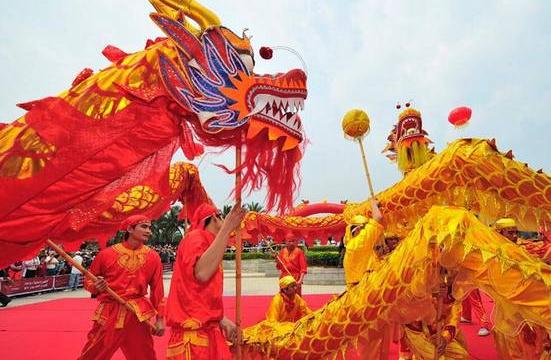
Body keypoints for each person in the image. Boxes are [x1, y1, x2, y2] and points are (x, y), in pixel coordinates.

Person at [78, 215, 165, 360]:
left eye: (149, 227)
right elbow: (88, 281)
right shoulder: (106, 254)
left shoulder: (153, 257)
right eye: (144, 227)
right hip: (110, 311)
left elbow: (158, 290)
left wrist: (160, 318)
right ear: (130, 229)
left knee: (145, 354)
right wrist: (97, 286)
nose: (149, 231)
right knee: (94, 353)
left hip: (138, 314)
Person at [165, 203, 246, 360]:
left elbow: (197, 293)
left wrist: (222, 321)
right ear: (215, 218)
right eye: (222, 216)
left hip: (209, 331)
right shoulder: (196, 237)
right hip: (193, 336)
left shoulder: (211, 243)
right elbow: (202, 274)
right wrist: (227, 228)